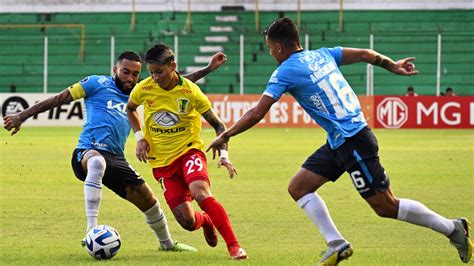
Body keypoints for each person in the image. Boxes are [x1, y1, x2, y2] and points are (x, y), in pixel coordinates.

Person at [207, 17, 472, 265]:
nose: (270, 54)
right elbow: (367, 54)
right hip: (340, 140)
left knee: (385, 206)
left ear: (278, 47)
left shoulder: (285, 70)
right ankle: (336, 243)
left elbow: (257, 112)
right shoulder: (323, 54)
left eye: (269, 49)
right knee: (299, 187)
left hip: (354, 140)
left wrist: (226, 134)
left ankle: (452, 228)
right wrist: (392, 65)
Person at [3, 50, 227, 253]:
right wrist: (22, 116)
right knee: (97, 163)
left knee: (150, 203)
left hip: (116, 158)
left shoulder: (140, 92)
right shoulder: (95, 83)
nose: (130, 78)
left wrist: (208, 69)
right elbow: (59, 98)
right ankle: (91, 231)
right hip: (87, 151)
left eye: (135, 74)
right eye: (125, 72)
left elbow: (176, 81)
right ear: (115, 70)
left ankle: (167, 244)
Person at [126, 44, 247, 260]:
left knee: (201, 193)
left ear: (172, 66)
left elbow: (219, 126)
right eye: (151, 72)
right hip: (161, 162)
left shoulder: (190, 91)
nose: (154, 77)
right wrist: (140, 138)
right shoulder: (144, 88)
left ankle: (234, 246)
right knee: (187, 222)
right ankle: (207, 221)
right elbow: (131, 109)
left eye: (159, 72)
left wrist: (224, 156)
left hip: (189, 152)